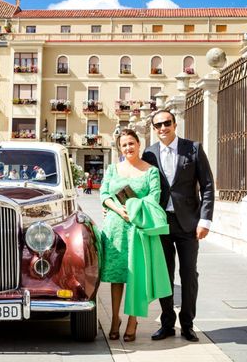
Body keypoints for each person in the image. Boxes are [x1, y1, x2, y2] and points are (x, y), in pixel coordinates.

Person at [142, 109, 214, 343]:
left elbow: (208, 186)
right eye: (158, 125)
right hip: (160, 223)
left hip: (189, 224)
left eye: (167, 123)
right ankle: (166, 323)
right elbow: (140, 184)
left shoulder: (192, 148)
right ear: (154, 128)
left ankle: (188, 324)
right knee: (164, 275)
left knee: (189, 274)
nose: (162, 128)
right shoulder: (149, 153)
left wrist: (205, 220)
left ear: (174, 124)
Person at [100, 128, 171, 343]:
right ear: (119, 148)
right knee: (116, 277)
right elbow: (104, 194)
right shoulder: (113, 168)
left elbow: (154, 198)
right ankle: (115, 319)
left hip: (138, 229)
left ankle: (132, 321)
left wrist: (131, 207)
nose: (128, 148)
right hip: (115, 229)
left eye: (131, 143)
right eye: (124, 145)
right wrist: (116, 208)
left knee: (136, 276)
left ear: (139, 144)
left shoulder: (151, 171)